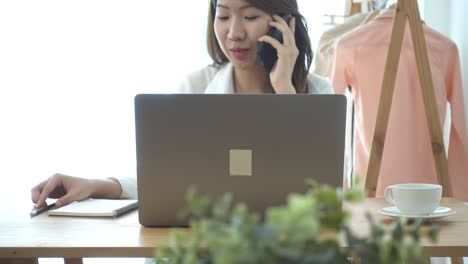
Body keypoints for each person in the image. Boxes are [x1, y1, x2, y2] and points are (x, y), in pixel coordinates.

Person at [31, 0, 333, 210]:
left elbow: (324, 193)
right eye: (224, 16)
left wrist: (285, 93)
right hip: (208, 242)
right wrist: (96, 185)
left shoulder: (317, 92)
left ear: (285, 24)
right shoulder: (195, 88)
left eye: (250, 17)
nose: (234, 33)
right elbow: (166, 180)